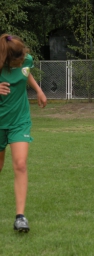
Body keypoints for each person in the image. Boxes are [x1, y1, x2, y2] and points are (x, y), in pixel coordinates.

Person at [0, 34, 47, 232]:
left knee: (20, 164)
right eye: (17, 61)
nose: (22, 61)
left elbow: (26, 72)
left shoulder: (26, 60)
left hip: (20, 120)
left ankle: (20, 216)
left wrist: (38, 89)